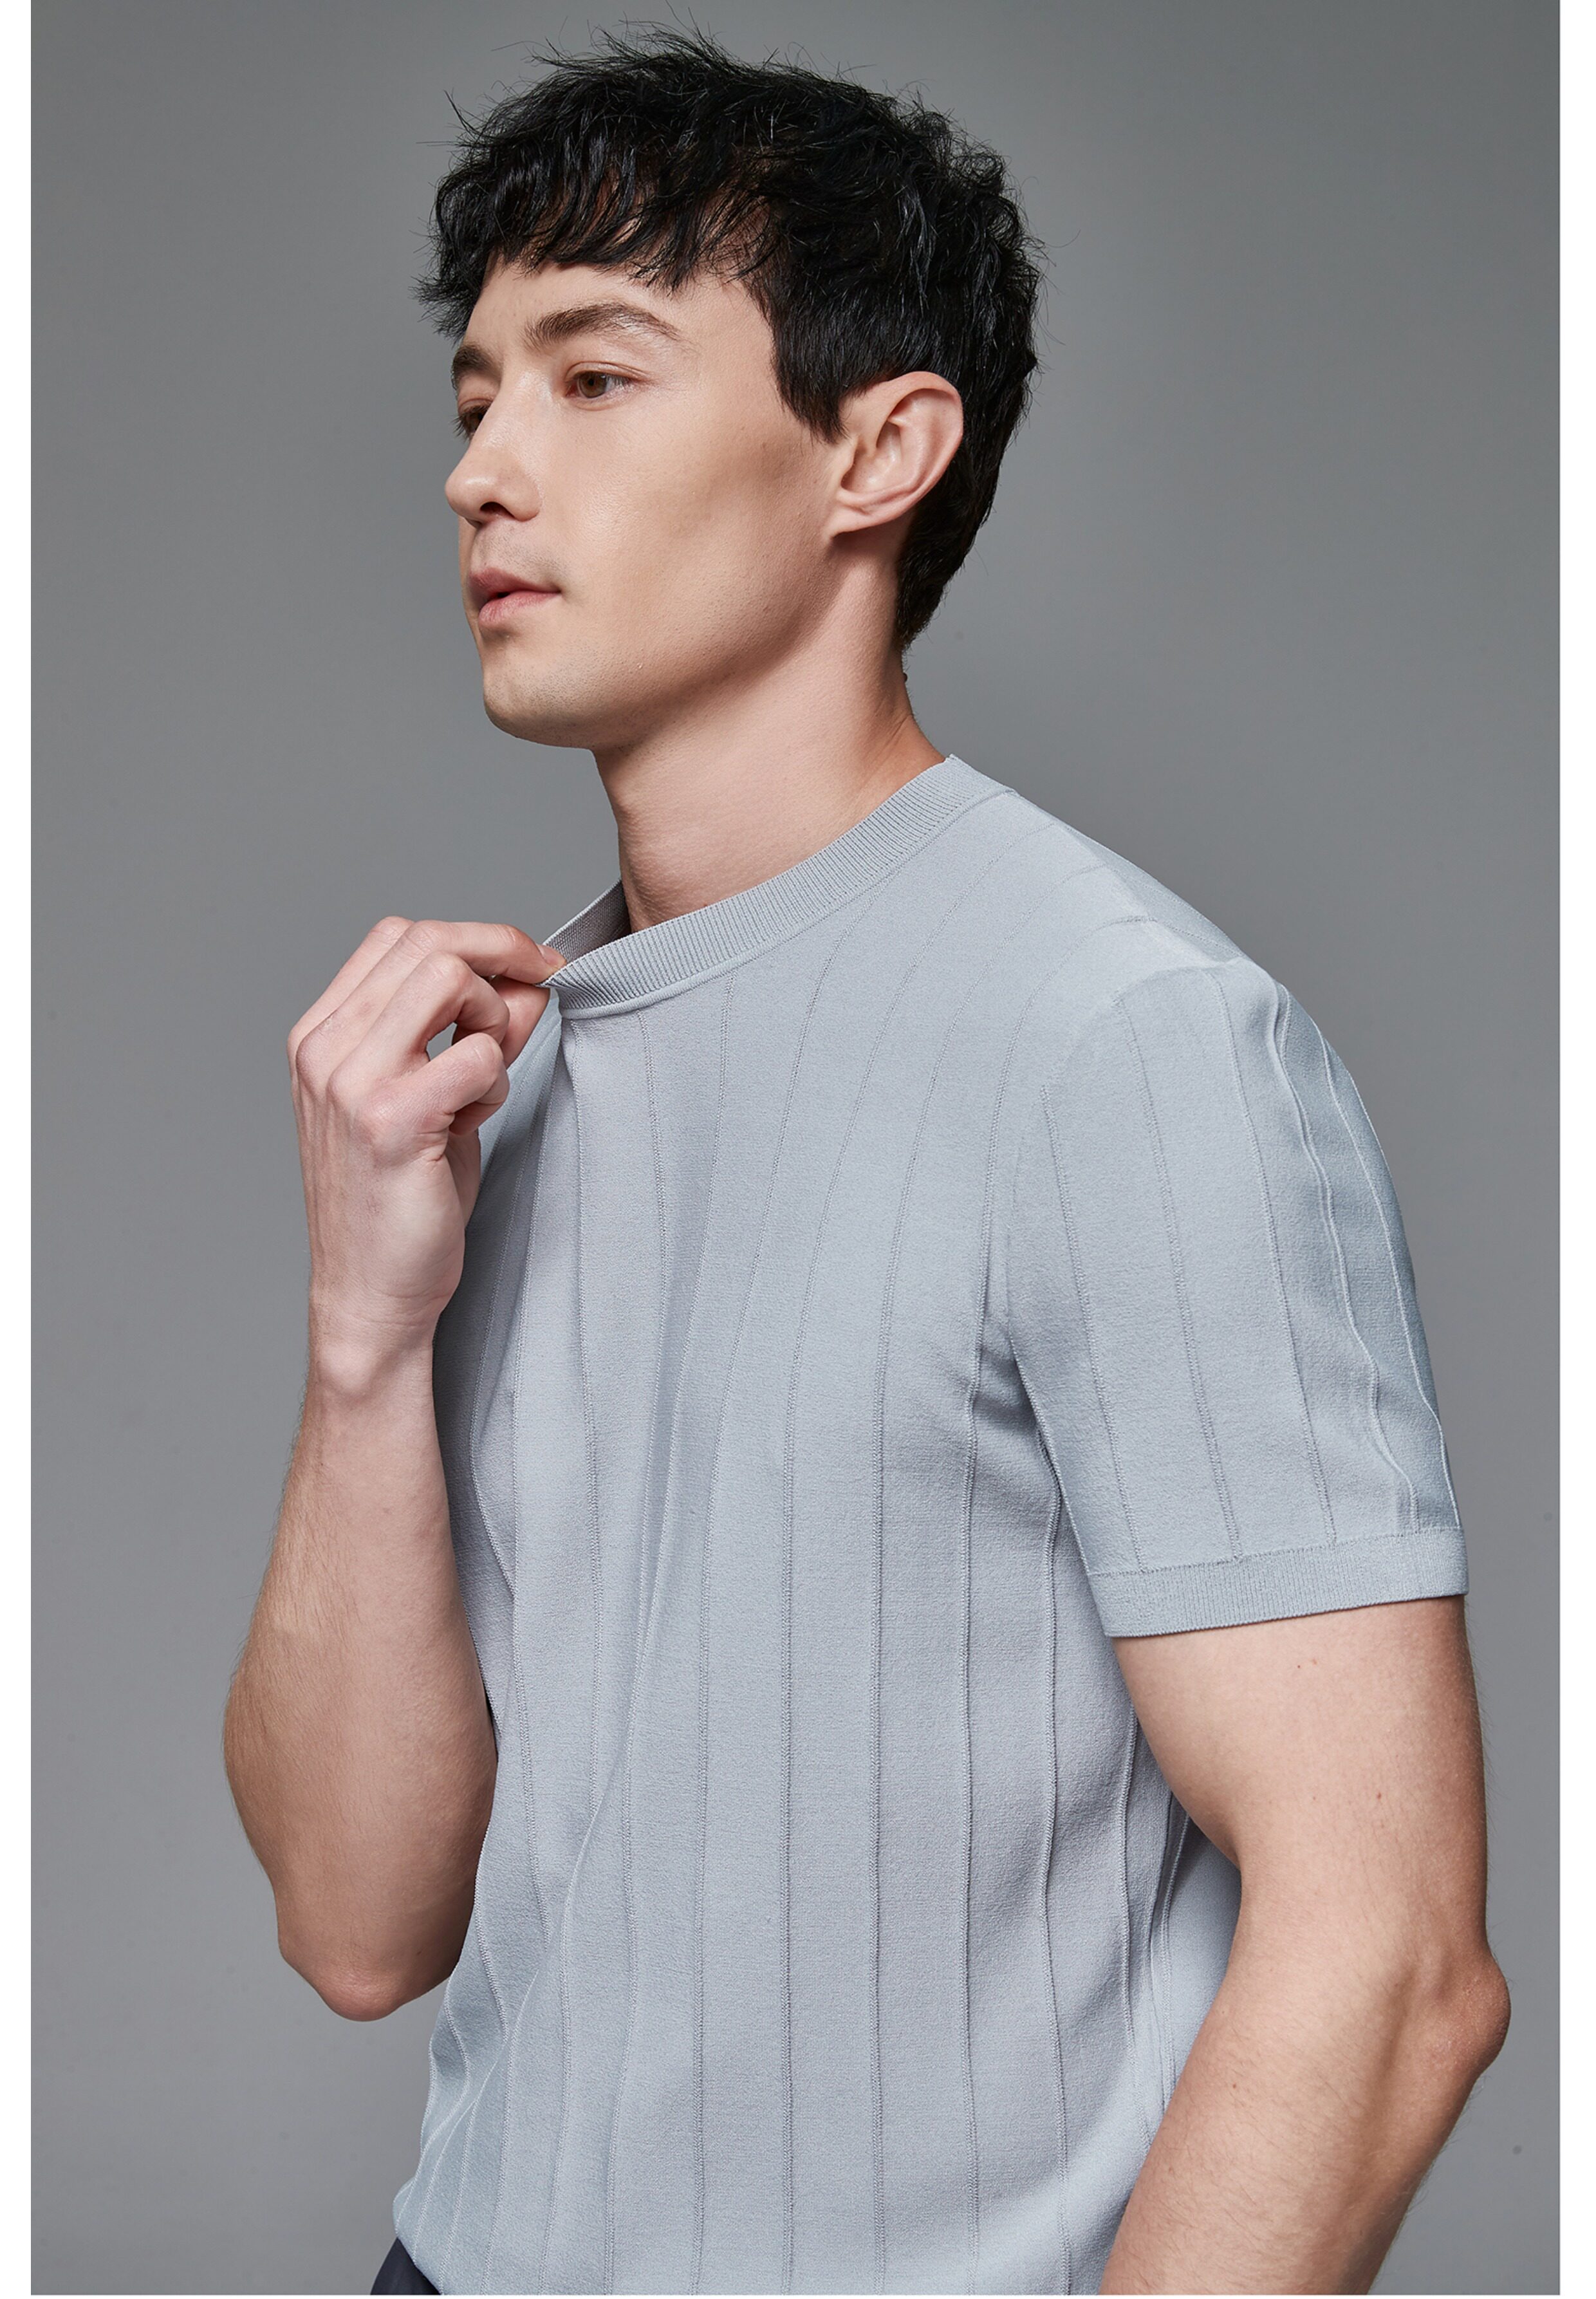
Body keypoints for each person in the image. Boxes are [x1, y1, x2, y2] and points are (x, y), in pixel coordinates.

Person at [221, 29, 1509, 2296]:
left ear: (880, 449)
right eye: (476, 397)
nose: (481, 472)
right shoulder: (501, 1081)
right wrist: (360, 1335)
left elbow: (1391, 1959)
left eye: (593, 379)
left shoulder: (1129, 1044)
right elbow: (353, 1919)